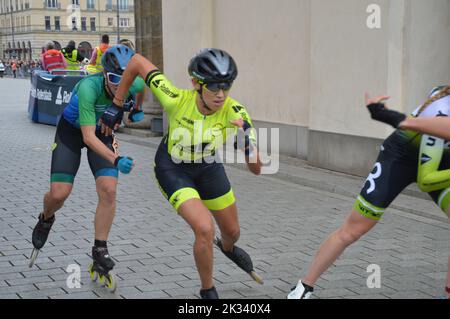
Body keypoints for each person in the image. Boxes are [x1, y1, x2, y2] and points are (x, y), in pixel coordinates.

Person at [109, 48, 263, 299]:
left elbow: (257, 170)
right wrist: (117, 104)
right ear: (196, 84)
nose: (221, 94)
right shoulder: (175, 98)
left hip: (208, 167)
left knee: (232, 233)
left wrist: (246, 142)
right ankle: (208, 290)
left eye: (226, 86)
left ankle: (226, 248)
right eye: (213, 86)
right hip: (173, 168)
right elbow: (136, 61)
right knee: (204, 228)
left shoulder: (236, 113)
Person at [288, 86, 450, 299]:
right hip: (400, 158)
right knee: (353, 229)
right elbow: (426, 180)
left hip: (439, 157)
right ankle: (303, 287)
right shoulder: (442, 112)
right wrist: (388, 115)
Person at [29, 45, 146, 292]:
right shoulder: (88, 88)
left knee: (109, 191)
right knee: (59, 194)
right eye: (114, 78)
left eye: (124, 79)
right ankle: (46, 218)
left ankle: (100, 250)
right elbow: (88, 137)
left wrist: (136, 109)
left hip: (103, 134)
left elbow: (141, 86)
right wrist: (115, 160)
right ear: (104, 74)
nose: (119, 85)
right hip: (73, 133)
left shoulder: (132, 84)